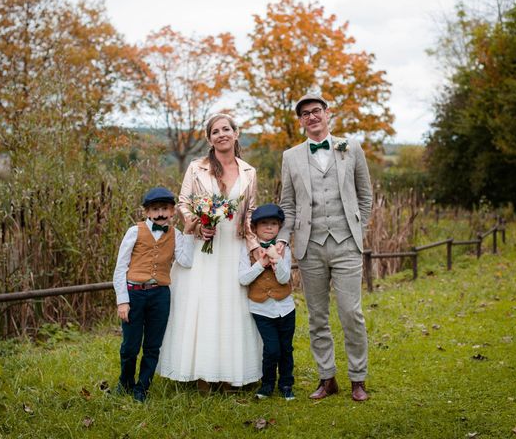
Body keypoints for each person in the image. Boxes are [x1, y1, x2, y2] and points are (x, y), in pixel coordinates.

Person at [278, 93, 373, 402]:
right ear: (301, 120)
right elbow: (288, 206)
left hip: (347, 244)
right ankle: (327, 378)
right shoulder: (290, 156)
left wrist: (358, 230)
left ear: (327, 113)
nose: (311, 117)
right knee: (317, 316)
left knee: (351, 313)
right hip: (309, 246)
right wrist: (283, 239)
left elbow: (365, 196)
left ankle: (358, 379)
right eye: (305, 114)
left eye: (316, 111)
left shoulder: (351, 147)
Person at [157, 113, 262, 389]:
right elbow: (183, 202)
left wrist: (253, 246)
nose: (222, 134)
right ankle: (201, 375)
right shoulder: (196, 168)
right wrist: (197, 224)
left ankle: (229, 374)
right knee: (201, 305)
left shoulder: (249, 171)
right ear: (209, 138)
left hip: (233, 246)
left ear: (236, 133)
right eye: (216, 131)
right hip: (204, 247)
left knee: (231, 306)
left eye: (226, 129)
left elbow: (250, 211)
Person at [112, 187, 197, 402]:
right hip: (135, 294)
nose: (160, 214)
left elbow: (186, 261)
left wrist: (187, 232)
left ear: (172, 211)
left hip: (160, 295)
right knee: (130, 345)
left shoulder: (176, 234)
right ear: (147, 212)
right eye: (155, 209)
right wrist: (122, 301)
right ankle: (125, 383)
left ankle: (143, 387)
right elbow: (120, 268)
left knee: (153, 345)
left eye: (165, 209)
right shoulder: (135, 231)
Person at [238, 203, 296, 401]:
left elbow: (283, 278)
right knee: (271, 349)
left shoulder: (283, 249)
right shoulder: (246, 251)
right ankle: (267, 385)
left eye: (273, 223)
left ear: (279, 227)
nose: (269, 227)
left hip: (286, 308)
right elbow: (243, 279)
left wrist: (276, 259)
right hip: (261, 309)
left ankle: (287, 383)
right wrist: (261, 264)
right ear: (254, 228)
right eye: (264, 224)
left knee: (286, 348)